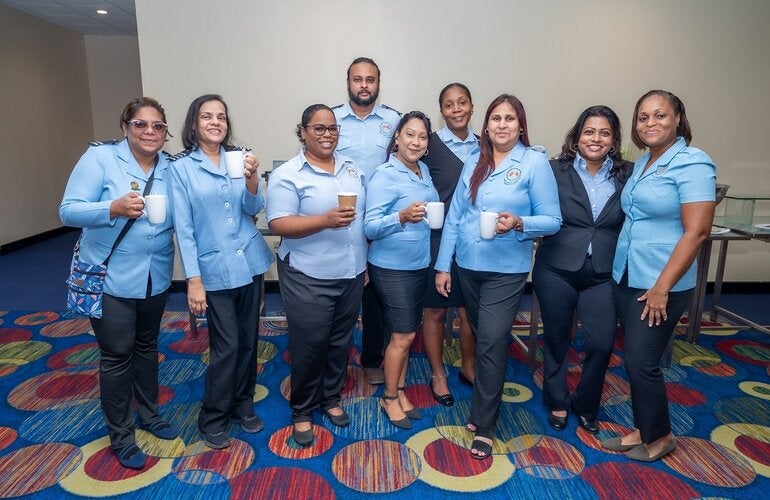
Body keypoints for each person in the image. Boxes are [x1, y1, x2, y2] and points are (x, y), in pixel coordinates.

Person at [435, 94, 561, 460]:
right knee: (481, 333)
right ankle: (484, 406)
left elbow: (552, 220)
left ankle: (484, 425)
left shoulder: (535, 162)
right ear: (486, 126)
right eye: (496, 118)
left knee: (490, 341)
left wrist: (520, 222)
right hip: (468, 266)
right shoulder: (474, 159)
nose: (502, 124)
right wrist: (444, 266)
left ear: (520, 125)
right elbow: (456, 216)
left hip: (507, 269)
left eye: (509, 118)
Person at [59, 97, 178, 469]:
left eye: (157, 126)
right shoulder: (101, 159)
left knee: (146, 347)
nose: (149, 132)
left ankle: (149, 413)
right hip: (109, 277)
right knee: (116, 355)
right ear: (125, 126)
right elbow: (68, 210)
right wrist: (111, 207)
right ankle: (122, 434)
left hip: (155, 278)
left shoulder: (171, 168)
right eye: (140, 124)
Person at [601, 90, 715, 461]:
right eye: (643, 117)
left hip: (660, 282)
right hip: (629, 274)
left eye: (660, 115)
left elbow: (696, 231)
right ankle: (644, 428)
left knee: (641, 361)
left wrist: (662, 287)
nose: (650, 123)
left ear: (678, 119)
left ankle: (661, 437)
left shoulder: (693, 163)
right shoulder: (643, 163)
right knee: (635, 359)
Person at [169, 94, 274, 450]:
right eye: (206, 116)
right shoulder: (181, 169)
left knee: (248, 341)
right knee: (226, 347)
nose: (215, 122)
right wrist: (192, 280)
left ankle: (242, 403)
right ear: (194, 124)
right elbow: (183, 228)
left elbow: (253, 208)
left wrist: (253, 176)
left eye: (221, 116)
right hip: (213, 270)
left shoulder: (239, 158)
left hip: (250, 262)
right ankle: (213, 415)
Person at [267, 104, 367, 446]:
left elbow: (361, 220)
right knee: (310, 345)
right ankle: (303, 410)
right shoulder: (289, 174)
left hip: (350, 272)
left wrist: (362, 265)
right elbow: (278, 223)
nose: (327, 135)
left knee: (340, 341)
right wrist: (324, 220)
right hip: (308, 274)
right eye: (319, 129)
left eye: (332, 128)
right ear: (303, 131)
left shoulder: (352, 168)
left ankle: (330, 398)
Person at [532, 106, 631, 435]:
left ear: (614, 140)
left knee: (602, 344)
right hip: (557, 268)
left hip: (603, 272)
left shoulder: (627, 174)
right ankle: (557, 400)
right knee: (557, 338)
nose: (596, 139)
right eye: (589, 131)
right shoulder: (552, 171)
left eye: (604, 133)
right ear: (576, 137)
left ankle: (587, 404)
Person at [364, 111, 438, 429]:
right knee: (404, 335)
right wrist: (401, 217)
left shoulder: (423, 170)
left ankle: (403, 391)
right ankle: (390, 398)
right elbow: (369, 226)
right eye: (409, 134)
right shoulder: (384, 174)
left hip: (418, 263)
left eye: (422, 137)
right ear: (397, 137)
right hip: (391, 267)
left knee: (406, 335)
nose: (415, 142)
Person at [333, 57, 400, 386]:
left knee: (376, 295)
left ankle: (372, 357)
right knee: (341, 295)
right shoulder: (330, 119)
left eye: (370, 80)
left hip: (379, 220)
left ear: (378, 83)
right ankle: (336, 362)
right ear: (348, 83)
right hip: (339, 220)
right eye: (357, 79)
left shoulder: (394, 120)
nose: (364, 85)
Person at [421, 83, 478, 406]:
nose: (456, 109)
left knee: (469, 311)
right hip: (437, 238)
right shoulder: (428, 144)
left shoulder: (486, 145)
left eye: (462, 103)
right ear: (441, 111)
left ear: (471, 107)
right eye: (448, 104)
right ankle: (438, 373)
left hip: (473, 240)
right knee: (435, 312)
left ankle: (468, 365)